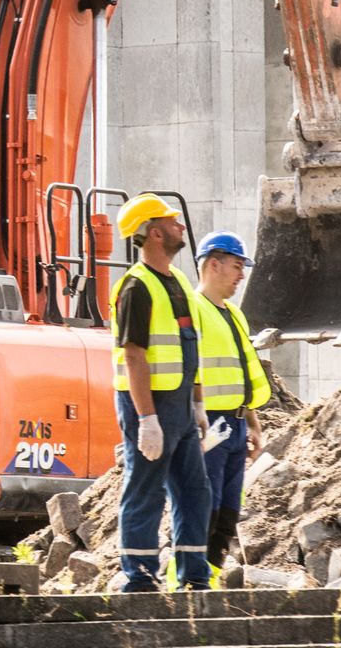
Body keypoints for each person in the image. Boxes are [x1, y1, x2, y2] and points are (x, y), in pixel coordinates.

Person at [109, 193, 212, 592]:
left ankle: (194, 575)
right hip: (149, 405)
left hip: (180, 405)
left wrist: (197, 403)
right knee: (145, 487)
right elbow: (134, 356)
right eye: (172, 222)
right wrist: (147, 419)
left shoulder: (179, 281)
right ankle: (139, 575)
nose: (180, 226)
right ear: (155, 233)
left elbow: (190, 344)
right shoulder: (136, 287)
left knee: (195, 490)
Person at [192, 230, 270, 577]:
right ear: (214, 265)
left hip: (236, 424)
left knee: (228, 510)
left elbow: (243, 370)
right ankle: (190, 578)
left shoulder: (235, 315)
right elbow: (190, 370)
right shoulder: (194, 310)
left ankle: (209, 575)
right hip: (211, 423)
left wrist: (253, 423)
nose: (242, 275)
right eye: (237, 267)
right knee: (203, 505)